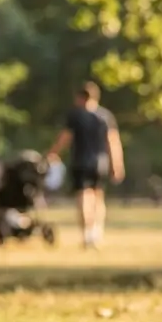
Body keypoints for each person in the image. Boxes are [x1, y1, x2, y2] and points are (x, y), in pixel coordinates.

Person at [45, 82, 124, 249]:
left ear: (81, 98)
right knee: (98, 196)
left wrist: (53, 153)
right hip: (101, 163)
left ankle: (87, 234)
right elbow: (113, 142)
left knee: (84, 196)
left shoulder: (75, 116)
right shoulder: (106, 116)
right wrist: (117, 164)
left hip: (81, 161)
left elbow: (65, 138)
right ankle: (97, 232)